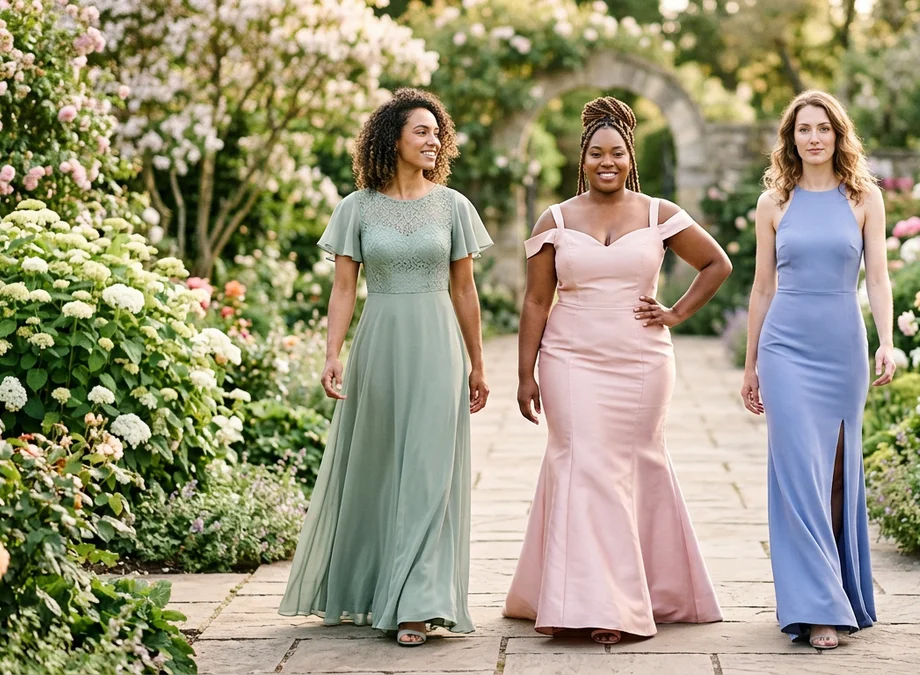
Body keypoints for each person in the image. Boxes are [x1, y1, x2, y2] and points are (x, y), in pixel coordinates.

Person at [504, 96, 731, 644]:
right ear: (583, 158)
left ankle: (641, 594)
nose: (608, 162)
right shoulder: (554, 220)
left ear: (631, 158)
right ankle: (597, 604)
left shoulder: (659, 213)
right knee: (583, 464)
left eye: (618, 153)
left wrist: (675, 312)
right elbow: (536, 302)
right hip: (569, 359)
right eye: (597, 153)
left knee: (633, 463)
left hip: (641, 361)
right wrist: (525, 373)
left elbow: (716, 263)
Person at [278, 88, 492, 647]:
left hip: (437, 345)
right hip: (378, 345)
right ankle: (379, 590)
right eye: (421, 131)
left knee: (428, 471)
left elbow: (465, 290)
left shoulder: (453, 206)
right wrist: (332, 353)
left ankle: (418, 604)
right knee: (380, 468)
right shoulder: (357, 207)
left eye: (436, 132)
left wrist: (477, 364)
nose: (433, 140)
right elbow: (344, 289)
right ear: (391, 137)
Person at [740, 90, 895, 649]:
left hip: (842, 347)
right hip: (785, 347)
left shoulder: (864, 198)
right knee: (795, 473)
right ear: (791, 138)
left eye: (823, 128)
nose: (813, 138)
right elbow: (762, 287)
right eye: (803, 129)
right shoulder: (773, 203)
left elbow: (876, 277)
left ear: (837, 135)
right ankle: (816, 608)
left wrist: (888, 341)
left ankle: (836, 591)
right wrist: (752, 362)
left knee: (834, 473)